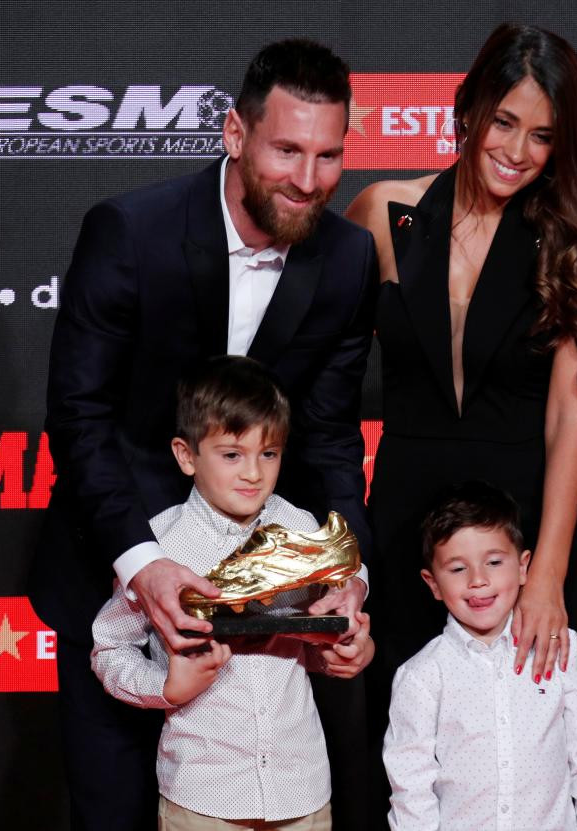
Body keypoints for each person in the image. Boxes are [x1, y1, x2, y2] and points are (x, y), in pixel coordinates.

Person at [29, 38, 377, 830]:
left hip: (259, 615)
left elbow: (328, 442)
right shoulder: (131, 231)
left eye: (329, 155)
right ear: (233, 133)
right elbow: (79, 417)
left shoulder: (349, 260)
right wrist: (143, 567)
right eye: (287, 148)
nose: (309, 178)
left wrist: (346, 580)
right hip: (115, 580)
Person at [347, 20, 577, 772]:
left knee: (524, 774)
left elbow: (572, 413)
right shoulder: (381, 212)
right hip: (405, 541)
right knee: (405, 773)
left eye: (542, 136)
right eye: (504, 121)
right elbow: (322, 384)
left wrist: (548, 572)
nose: (516, 151)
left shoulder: (574, 242)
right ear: (469, 108)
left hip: (525, 542)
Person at [92, 356, 373, 831]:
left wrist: (348, 647)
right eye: (231, 454)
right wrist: (164, 689)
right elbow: (109, 647)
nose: (252, 473)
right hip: (201, 793)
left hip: (301, 789)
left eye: (269, 454)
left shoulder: (302, 530)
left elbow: (321, 639)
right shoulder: (157, 551)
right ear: (186, 455)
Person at [384, 481, 577, 829]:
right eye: (458, 569)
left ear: (524, 567)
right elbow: (411, 788)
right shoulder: (421, 677)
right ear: (432, 583)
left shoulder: (558, 650)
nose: (478, 580)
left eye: (494, 562)